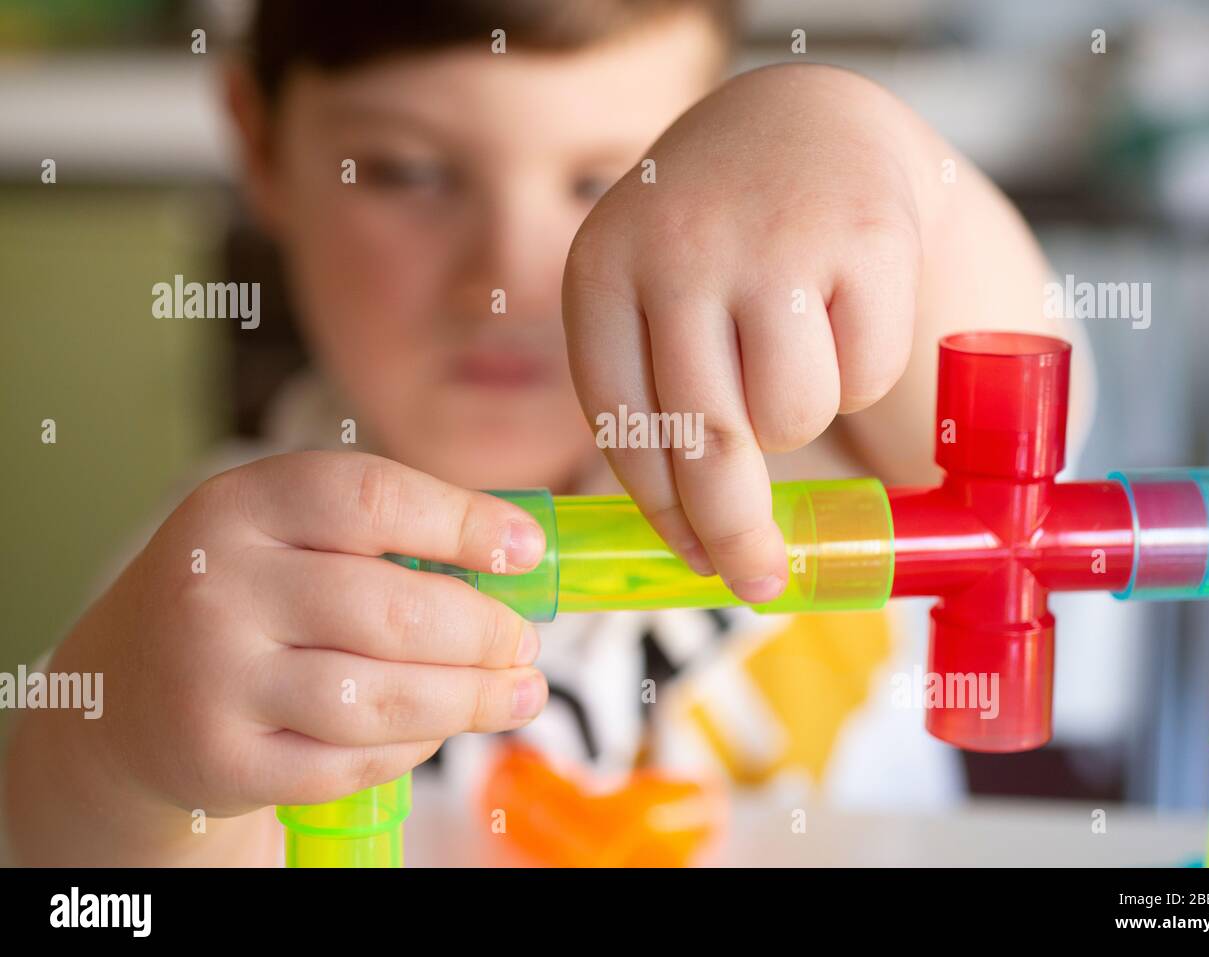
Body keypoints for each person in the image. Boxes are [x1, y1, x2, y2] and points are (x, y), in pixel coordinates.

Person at [2, 0, 1093, 865]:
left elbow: (1024, 421)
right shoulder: (222, 581)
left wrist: (874, 156)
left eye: (608, 177)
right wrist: (120, 764)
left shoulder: (814, 420)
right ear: (261, 142)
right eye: (407, 172)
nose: (507, 282)